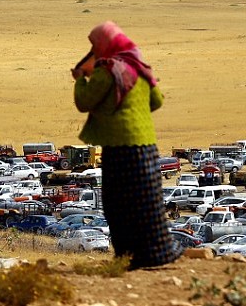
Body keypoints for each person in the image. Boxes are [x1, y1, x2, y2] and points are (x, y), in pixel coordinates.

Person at [72, 21, 183, 269]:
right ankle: (159, 252)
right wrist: (135, 112)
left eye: (95, 46)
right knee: (147, 202)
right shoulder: (138, 67)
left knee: (119, 204)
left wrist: (80, 79)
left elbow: (84, 102)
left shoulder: (107, 70)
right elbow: (157, 101)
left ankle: (129, 257)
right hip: (146, 146)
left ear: (104, 45)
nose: (94, 51)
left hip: (119, 147)